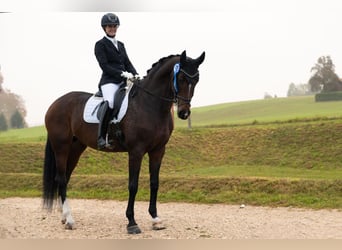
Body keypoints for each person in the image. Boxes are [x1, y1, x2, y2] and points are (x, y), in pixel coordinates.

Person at [94, 13, 139, 149]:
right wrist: (121, 74)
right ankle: (101, 137)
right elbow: (105, 66)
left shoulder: (121, 45)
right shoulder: (100, 45)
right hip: (109, 81)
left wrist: (135, 74)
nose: (112, 28)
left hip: (124, 80)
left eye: (114, 26)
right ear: (104, 28)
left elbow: (127, 62)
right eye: (109, 26)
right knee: (111, 102)